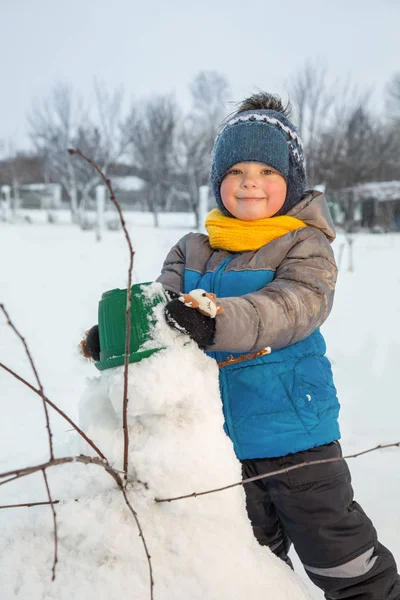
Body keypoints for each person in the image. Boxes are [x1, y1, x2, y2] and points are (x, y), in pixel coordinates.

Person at [83, 93, 400, 599]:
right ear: (218, 183)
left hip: (296, 436)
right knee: (247, 566)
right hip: (218, 445)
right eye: (236, 170)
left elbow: (293, 306)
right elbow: (160, 310)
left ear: (290, 183)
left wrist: (215, 319)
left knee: (342, 559)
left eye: (266, 170)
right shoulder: (192, 248)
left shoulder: (303, 244)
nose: (250, 180)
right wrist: (117, 336)